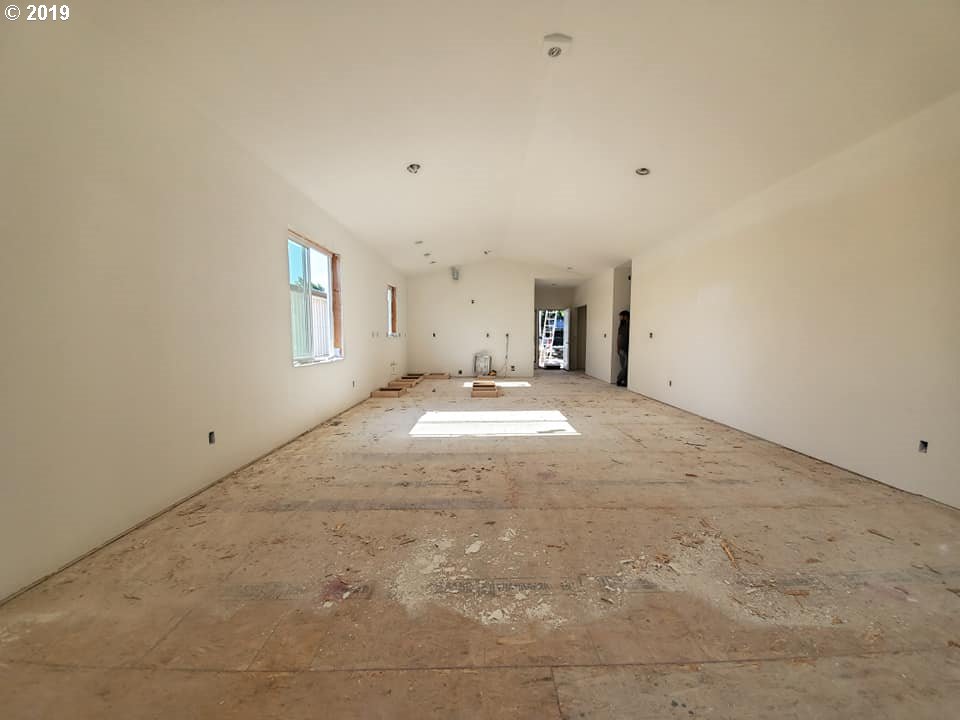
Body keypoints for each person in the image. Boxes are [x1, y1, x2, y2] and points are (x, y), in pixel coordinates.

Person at [616, 310, 630, 386]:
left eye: (621, 316)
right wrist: (617, 347)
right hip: (621, 349)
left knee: (626, 367)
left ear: (625, 316)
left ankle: (619, 379)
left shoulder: (630, 325)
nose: (620, 318)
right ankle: (624, 381)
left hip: (628, 349)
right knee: (623, 367)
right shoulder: (621, 325)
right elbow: (618, 337)